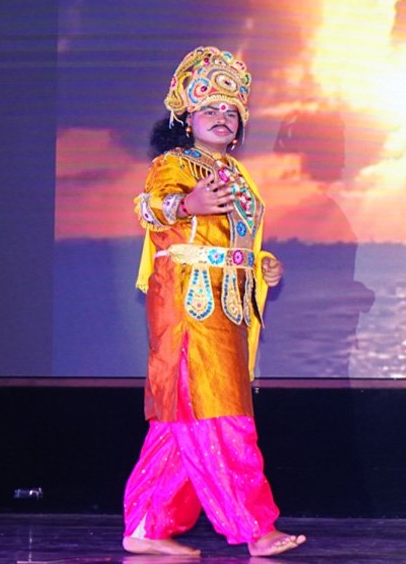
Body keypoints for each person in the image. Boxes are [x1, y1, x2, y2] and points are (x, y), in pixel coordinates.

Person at [122, 46, 306, 557]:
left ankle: (146, 527)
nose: (223, 117)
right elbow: (150, 208)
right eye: (210, 108)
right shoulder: (173, 164)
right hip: (191, 307)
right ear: (187, 117)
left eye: (231, 110)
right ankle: (256, 528)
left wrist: (261, 263)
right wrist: (187, 203)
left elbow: (232, 242)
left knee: (181, 422)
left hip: (228, 306)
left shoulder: (239, 176)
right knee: (220, 413)